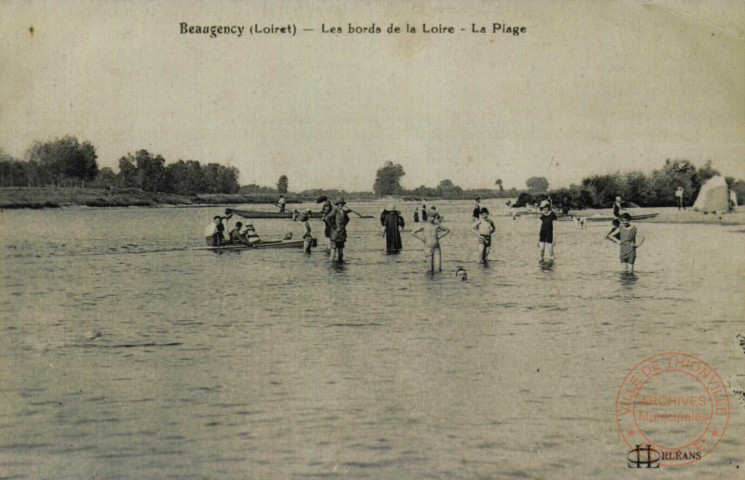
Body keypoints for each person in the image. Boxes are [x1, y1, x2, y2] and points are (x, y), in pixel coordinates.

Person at [325, 198, 350, 262]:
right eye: (340, 204)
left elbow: (347, 219)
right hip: (335, 234)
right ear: (337, 204)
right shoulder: (335, 211)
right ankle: (331, 267)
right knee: (333, 252)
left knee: (341, 253)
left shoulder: (343, 212)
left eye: (342, 204)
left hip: (342, 233)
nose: (341, 205)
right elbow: (327, 218)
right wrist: (332, 225)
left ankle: (340, 266)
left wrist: (344, 224)